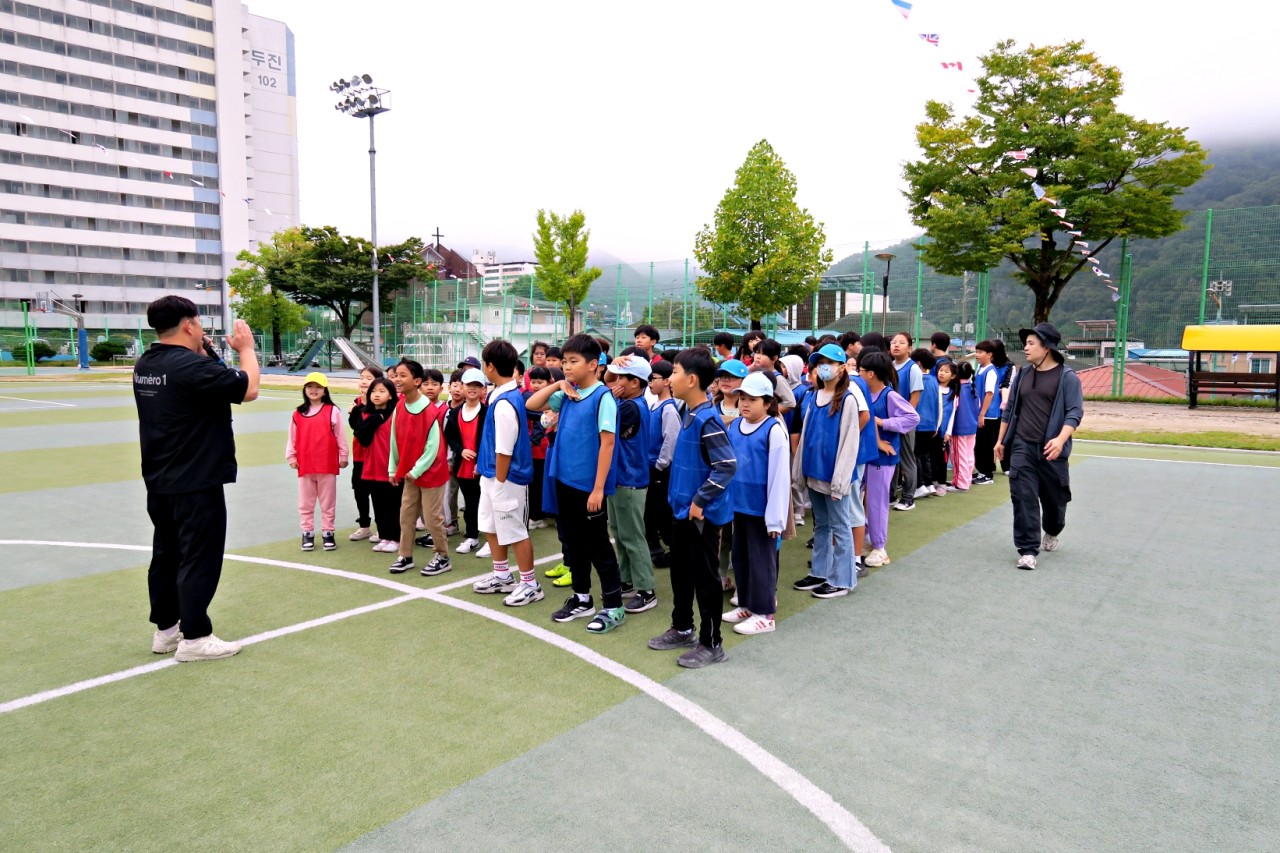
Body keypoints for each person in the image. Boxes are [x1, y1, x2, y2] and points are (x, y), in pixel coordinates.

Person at [133, 295, 259, 662]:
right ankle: (195, 637)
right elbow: (248, 388)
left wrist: (208, 354)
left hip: (160, 479)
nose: (202, 329)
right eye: (199, 323)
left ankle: (167, 631)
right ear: (189, 325)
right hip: (196, 478)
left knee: (167, 554)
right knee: (198, 556)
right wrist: (246, 349)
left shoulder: (147, 363)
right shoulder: (189, 367)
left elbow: (212, 380)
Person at [526, 334, 627, 634]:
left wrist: (598, 489)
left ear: (593, 365)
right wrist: (557, 385)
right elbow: (532, 403)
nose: (567, 368)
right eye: (565, 362)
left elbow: (607, 445)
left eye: (573, 362)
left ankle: (614, 606)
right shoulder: (568, 393)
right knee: (573, 542)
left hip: (588, 487)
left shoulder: (603, 398)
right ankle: (582, 598)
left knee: (598, 545)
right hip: (564, 481)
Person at [647, 347, 737, 669]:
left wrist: (699, 502)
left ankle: (712, 643)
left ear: (692, 379)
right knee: (681, 574)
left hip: (700, 516)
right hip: (682, 512)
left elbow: (726, 466)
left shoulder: (708, 420)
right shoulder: (688, 413)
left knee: (705, 580)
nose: (670, 379)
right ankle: (682, 627)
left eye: (674, 373)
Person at [995, 323, 1083, 570]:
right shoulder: (1022, 374)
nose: (1026, 347)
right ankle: (1027, 550)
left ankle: (1052, 531)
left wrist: (1060, 439)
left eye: (1031, 343)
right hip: (1022, 446)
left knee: (1055, 503)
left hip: (1052, 450)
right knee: (1023, 498)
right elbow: (1010, 409)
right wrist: (1001, 441)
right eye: (1026, 343)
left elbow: (1075, 412)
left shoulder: (1067, 377)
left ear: (1047, 348)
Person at [470, 339, 544, 606]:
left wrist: (500, 481)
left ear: (490, 367)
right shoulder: (498, 394)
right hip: (493, 474)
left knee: (514, 530)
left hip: (507, 478)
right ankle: (502, 575)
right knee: (491, 525)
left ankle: (529, 583)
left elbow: (505, 449)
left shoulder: (504, 402)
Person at [790, 343, 863, 598]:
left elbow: (850, 443)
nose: (823, 367)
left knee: (841, 526)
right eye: (820, 362)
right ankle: (820, 572)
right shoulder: (813, 396)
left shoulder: (848, 399)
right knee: (821, 525)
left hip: (834, 478)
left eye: (829, 363)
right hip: (814, 473)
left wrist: (840, 481)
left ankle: (842, 580)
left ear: (842, 368)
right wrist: (800, 472)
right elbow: (807, 433)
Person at [722, 372, 789, 634]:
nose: (745, 404)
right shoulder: (735, 426)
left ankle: (765, 615)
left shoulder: (773, 429)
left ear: (767, 402)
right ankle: (748, 605)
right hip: (738, 506)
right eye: (742, 398)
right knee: (741, 558)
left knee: (762, 562)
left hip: (762, 510)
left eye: (752, 399)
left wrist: (775, 518)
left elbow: (779, 477)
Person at [387, 359, 451, 576]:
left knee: (432, 518)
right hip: (409, 474)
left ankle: (442, 556)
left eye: (402, 375)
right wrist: (392, 469)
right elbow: (394, 440)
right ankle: (405, 555)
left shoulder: (429, 410)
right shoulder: (399, 406)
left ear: (416, 381)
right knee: (406, 515)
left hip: (430, 474)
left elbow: (433, 448)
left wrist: (415, 471)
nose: (397, 379)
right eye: (396, 375)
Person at [604, 355, 658, 613]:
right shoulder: (633, 402)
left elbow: (602, 422)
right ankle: (627, 580)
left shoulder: (629, 407)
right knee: (620, 532)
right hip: (622, 478)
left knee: (633, 536)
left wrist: (611, 397)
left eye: (621, 378)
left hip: (630, 479)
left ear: (635, 382)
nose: (615, 381)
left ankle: (646, 589)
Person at [858, 351, 920, 568]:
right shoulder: (863, 392)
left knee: (876, 502)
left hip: (883, 458)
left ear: (871, 374)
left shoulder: (889, 395)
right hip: (863, 455)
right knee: (858, 499)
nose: (859, 373)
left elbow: (912, 417)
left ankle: (879, 547)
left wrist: (883, 423)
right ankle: (864, 539)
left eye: (862, 370)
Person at [286, 372, 350, 552]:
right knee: (305, 502)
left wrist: (343, 456)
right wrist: (291, 456)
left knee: (327, 502)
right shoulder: (297, 413)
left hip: (327, 464)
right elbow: (292, 438)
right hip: (305, 464)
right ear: (305, 389)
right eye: (310, 386)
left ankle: (328, 532)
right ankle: (307, 533)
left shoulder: (333, 411)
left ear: (325, 390)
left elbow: (340, 436)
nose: (314, 390)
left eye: (318, 387)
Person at [352, 376, 402, 551]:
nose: (376, 395)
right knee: (378, 504)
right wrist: (374, 420)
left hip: (390, 466)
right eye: (373, 391)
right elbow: (361, 437)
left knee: (393, 504)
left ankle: (395, 538)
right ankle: (384, 536)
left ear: (390, 395)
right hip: (371, 466)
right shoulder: (365, 413)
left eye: (382, 391)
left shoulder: (397, 413)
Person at [446, 368, 488, 555]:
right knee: (470, 502)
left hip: (483, 467)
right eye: (468, 385)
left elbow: (490, 439)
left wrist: (482, 462)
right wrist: (461, 450)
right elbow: (451, 436)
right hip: (463, 467)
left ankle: (488, 537)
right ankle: (472, 536)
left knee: (483, 502)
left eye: (477, 385)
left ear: (483, 390)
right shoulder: (455, 413)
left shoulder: (487, 413)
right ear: (461, 387)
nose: (472, 389)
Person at [645, 358, 679, 568]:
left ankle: (673, 548)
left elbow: (671, 440)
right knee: (651, 510)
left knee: (662, 510)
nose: (650, 383)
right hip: (652, 466)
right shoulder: (655, 404)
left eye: (653, 379)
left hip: (660, 470)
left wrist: (660, 464)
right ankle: (656, 546)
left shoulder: (668, 409)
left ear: (667, 381)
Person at [347, 365, 382, 542]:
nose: (364, 381)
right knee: (360, 491)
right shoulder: (357, 402)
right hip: (359, 455)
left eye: (369, 378)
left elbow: (366, 428)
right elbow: (355, 428)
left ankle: (381, 527)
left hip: (376, 457)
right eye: (362, 377)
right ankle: (364, 526)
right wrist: (356, 409)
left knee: (377, 493)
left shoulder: (381, 404)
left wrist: (359, 410)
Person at [889, 332, 923, 510]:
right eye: (894, 342)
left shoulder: (913, 368)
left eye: (901, 343)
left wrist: (905, 420)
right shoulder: (890, 366)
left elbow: (915, 396)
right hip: (890, 421)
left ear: (909, 348)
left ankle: (909, 498)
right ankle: (891, 495)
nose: (896, 345)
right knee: (892, 458)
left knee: (907, 459)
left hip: (905, 422)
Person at [972, 339, 1011, 485]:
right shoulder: (979, 369)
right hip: (981, 413)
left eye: (980, 352)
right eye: (976, 351)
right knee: (979, 444)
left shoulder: (991, 371)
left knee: (986, 445)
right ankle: (981, 471)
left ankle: (988, 474)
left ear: (990, 354)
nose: (977, 355)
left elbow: (989, 394)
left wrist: (982, 414)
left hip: (988, 415)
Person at [908, 349, 943, 503]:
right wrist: (937, 424)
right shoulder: (935, 381)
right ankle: (928, 484)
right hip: (931, 425)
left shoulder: (917, 381)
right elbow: (939, 405)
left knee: (915, 456)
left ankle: (919, 485)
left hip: (918, 424)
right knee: (925, 456)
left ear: (918, 364)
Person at [524, 365, 552, 529]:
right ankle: (536, 514)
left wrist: (533, 440)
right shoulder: (529, 398)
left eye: (540, 382)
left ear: (548, 382)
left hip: (542, 449)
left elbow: (544, 423)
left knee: (538, 484)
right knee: (533, 484)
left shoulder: (550, 399)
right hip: (533, 450)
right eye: (533, 381)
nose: (535, 385)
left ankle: (537, 515)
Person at [949, 361, 980, 492]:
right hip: (972, 427)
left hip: (959, 428)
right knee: (968, 455)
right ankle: (965, 480)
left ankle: (961, 483)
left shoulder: (956, 390)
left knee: (958, 456)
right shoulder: (972, 388)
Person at [750, 338, 798, 415]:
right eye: (757, 352)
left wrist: (766, 413)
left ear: (774, 358)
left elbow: (790, 403)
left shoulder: (777, 378)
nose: (758, 356)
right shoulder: (754, 373)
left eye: (763, 354)